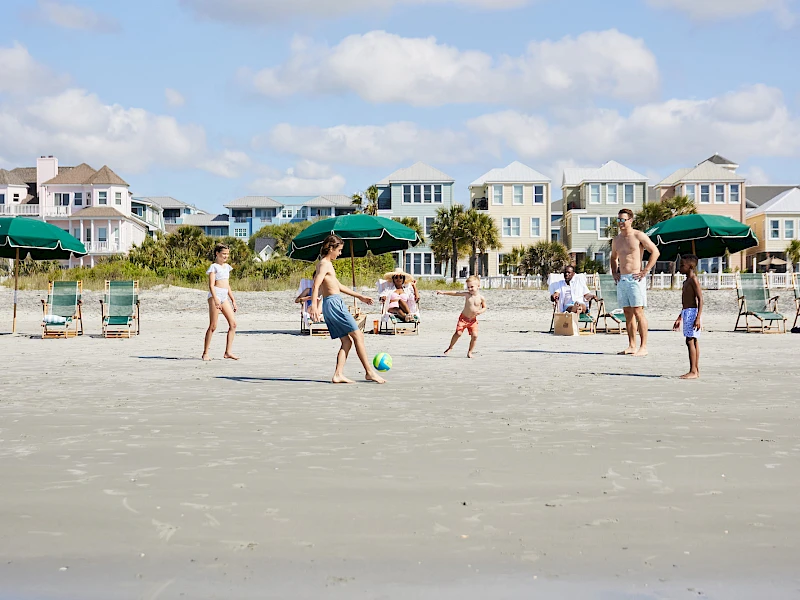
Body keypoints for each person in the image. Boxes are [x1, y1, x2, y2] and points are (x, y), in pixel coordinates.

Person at [309, 235, 386, 384]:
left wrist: (360, 296)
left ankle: (338, 374)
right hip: (334, 304)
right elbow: (316, 285)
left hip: (332, 303)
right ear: (331, 248)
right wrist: (313, 305)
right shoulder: (324, 264)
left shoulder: (326, 264)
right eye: (339, 250)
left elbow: (338, 286)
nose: (339, 253)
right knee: (358, 336)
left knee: (347, 341)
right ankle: (369, 372)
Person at [610, 208, 660, 357]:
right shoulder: (616, 240)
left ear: (630, 220)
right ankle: (632, 345)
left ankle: (643, 347)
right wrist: (614, 272)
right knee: (627, 313)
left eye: (623, 220)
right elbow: (613, 257)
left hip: (635, 278)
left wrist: (645, 270)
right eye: (618, 220)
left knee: (638, 312)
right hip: (623, 279)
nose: (620, 223)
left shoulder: (638, 235)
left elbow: (655, 252)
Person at [202, 243, 238, 361]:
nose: (226, 256)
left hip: (224, 296)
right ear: (217, 254)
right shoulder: (214, 267)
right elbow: (211, 285)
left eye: (227, 254)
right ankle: (205, 353)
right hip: (215, 295)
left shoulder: (227, 267)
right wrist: (215, 298)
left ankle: (228, 352)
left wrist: (233, 300)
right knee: (213, 326)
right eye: (223, 254)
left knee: (233, 324)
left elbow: (227, 285)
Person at [437, 275, 487, 358]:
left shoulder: (481, 298)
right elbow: (456, 293)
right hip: (463, 319)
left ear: (478, 286)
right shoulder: (467, 295)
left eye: (472, 287)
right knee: (458, 333)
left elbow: (485, 307)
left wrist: (480, 311)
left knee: (475, 335)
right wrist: (444, 292)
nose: (469, 289)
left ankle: (470, 352)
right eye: (468, 287)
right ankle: (450, 347)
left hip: (473, 320)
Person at [673, 254, 703, 379]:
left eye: (682, 265)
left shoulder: (693, 280)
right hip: (686, 312)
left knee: (690, 340)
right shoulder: (686, 281)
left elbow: (700, 299)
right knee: (693, 340)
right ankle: (696, 370)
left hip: (692, 312)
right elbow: (685, 302)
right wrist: (680, 317)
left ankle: (693, 371)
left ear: (690, 266)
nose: (680, 267)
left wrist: (698, 318)